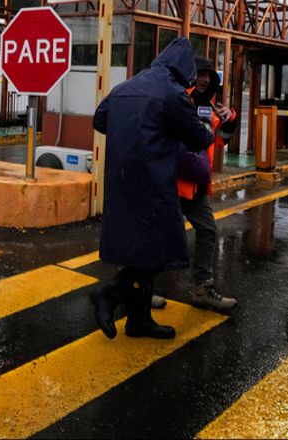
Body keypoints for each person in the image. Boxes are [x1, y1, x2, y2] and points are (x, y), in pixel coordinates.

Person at [91, 37, 213, 340]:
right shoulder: (172, 94)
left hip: (121, 181)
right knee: (160, 250)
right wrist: (209, 130)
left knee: (139, 251)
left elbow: (100, 119)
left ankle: (139, 320)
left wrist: (131, 132)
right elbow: (198, 138)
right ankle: (109, 294)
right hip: (152, 181)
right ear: (184, 69)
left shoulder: (126, 87)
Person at [152, 57, 238, 311]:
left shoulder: (211, 109)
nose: (205, 79)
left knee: (208, 230)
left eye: (209, 76)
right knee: (161, 237)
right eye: (201, 74)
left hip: (198, 185)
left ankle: (202, 289)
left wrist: (230, 117)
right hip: (172, 183)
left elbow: (221, 139)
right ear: (191, 76)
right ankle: (141, 289)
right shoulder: (180, 99)